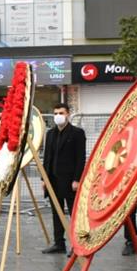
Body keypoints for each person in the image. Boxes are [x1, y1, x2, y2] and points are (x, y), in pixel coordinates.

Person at [42, 102, 86, 255]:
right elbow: (47, 157)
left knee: (74, 213)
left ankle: (77, 245)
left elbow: (80, 158)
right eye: (55, 114)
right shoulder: (50, 134)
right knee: (57, 212)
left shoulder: (77, 133)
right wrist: (44, 179)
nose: (58, 116)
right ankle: (59, 243)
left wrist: (77, 179)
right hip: (53, 179)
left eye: (61, 113)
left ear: (68, 114)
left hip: (69, 180)